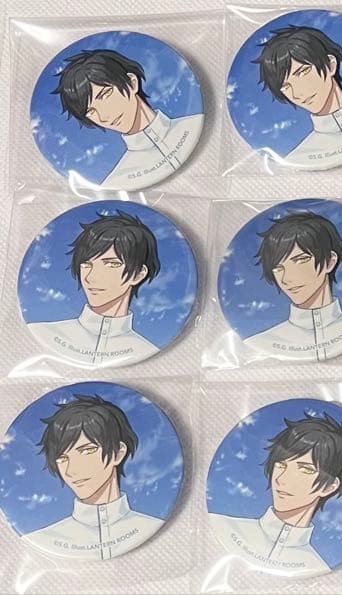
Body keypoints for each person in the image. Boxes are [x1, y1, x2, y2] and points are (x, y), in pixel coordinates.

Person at [208, 413, 342, 576]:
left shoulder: (315, 565)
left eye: (305, 469)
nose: (282, 479)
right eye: (281, 465)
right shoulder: (223, 526)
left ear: (329, 486)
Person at [23, 395, 163, 560]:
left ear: (118, 453)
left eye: (87, 451)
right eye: (62, 458)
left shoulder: (153, 527)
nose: (72, 470)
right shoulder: (43, 540)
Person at [54, 49, 203, 190]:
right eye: (90, 111)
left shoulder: (194, 123)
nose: (103, 117)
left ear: (132, 83)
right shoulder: (117, 182)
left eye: (104, 95)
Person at [28, 212, 160, 367]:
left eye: (112, 264)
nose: (91, 277)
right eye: (86, 264)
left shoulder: (146, 350)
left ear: (138, 274)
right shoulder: (44, 333)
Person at [254, 26, 342, 169]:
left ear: (330, 65)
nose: (297, 93)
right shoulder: (299, 159)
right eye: (285, 86)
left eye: (303, 72)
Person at [244, 212, 342, 361]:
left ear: (330, 261)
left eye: (300, 260)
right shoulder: (261, 344)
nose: (287, 279)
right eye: (278, 268)